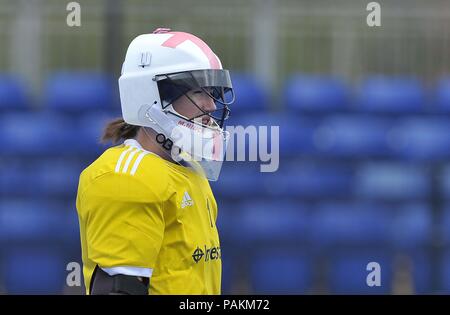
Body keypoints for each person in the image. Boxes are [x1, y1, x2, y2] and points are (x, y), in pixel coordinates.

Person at [76, 28, 235, 295]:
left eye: (212, 92)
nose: (210, 105)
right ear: (150, 94)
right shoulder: (126, 178)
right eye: (198, 92)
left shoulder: (190, 170)